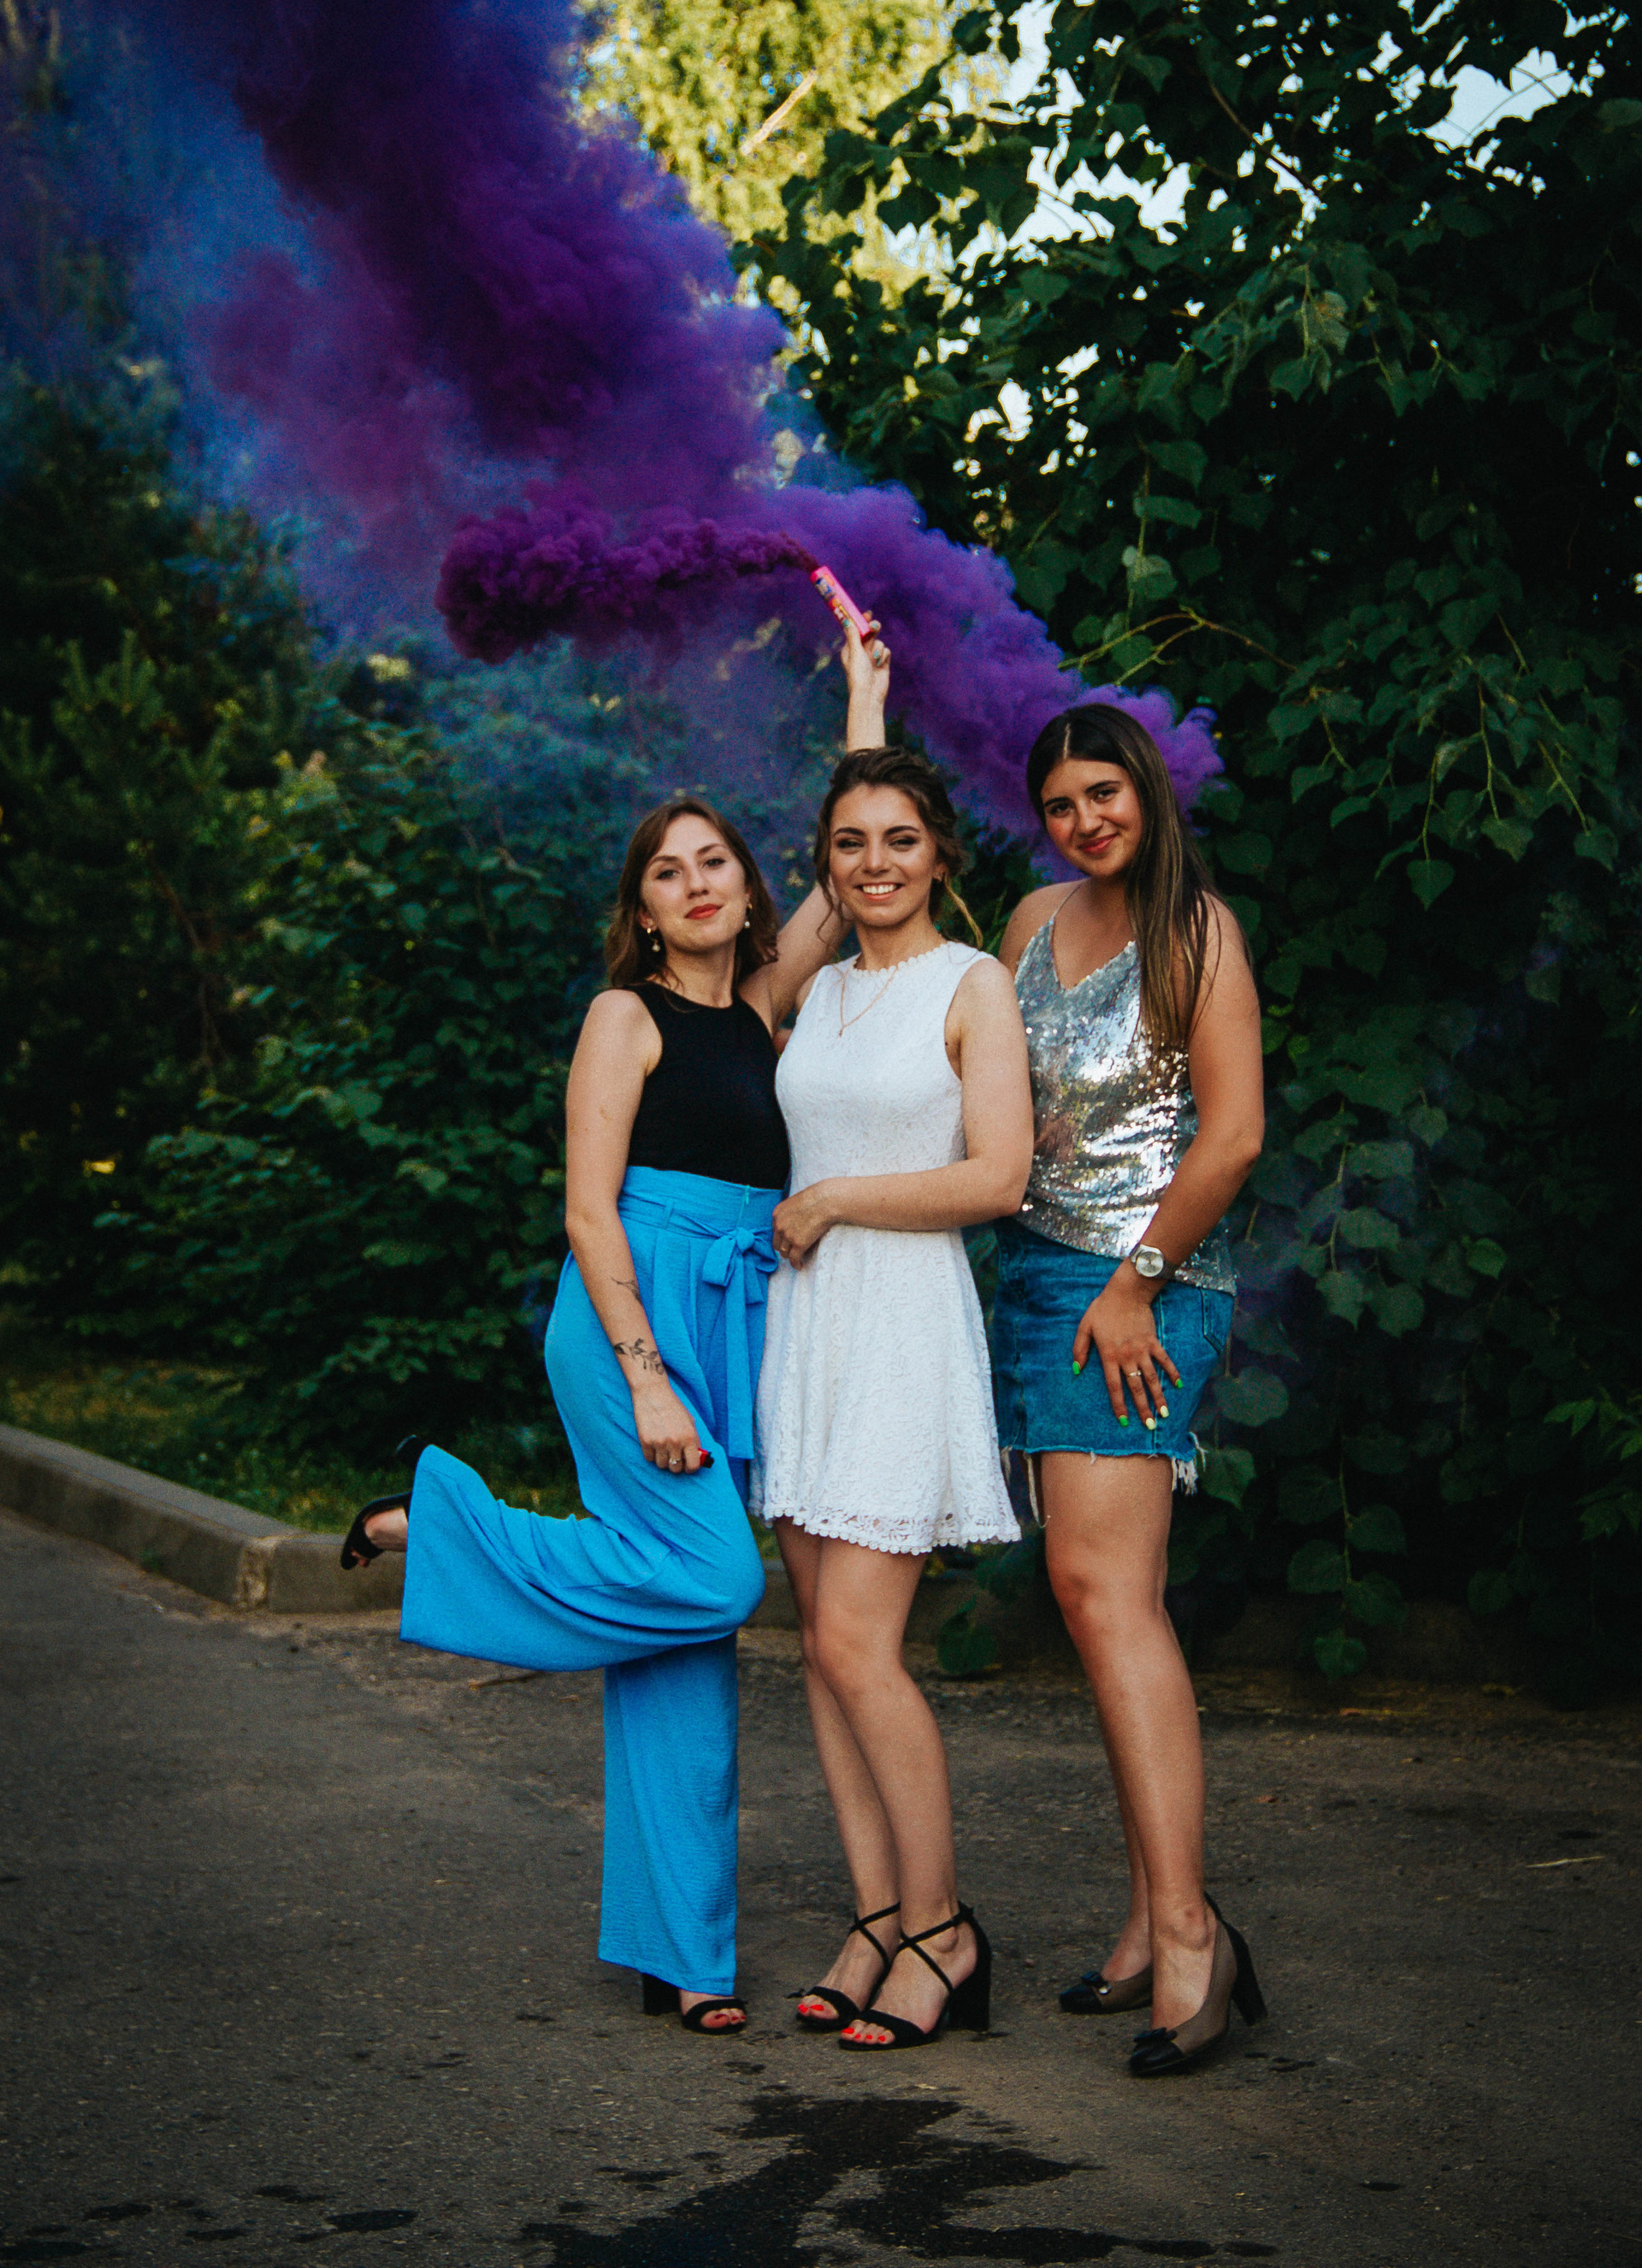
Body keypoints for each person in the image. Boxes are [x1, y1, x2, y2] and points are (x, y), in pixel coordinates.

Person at [338, 624, 891, 2034]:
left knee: (677, 1656)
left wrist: (865, 698)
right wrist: (646, 1376)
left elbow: (849, 875)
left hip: (734, 1318)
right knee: (713, 1581)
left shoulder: (762, 1007)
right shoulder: (621, 1018)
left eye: (716, 863)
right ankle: (441, 1519)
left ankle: (681, 1954)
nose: (697, 883)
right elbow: (589, 1212)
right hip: (625, 1319)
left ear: (746, 888)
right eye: (667, 871)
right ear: (642, 911)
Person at [992, 700, 1267, 2076]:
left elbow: (1236, 1134)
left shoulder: (1198, 932)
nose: (1084, 820)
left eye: (1103, 792)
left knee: (1110, 1596)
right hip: (1037, 1279)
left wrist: (1136, 1281)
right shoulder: (1032, 920)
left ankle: (1191, 1937)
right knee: (1092, 1602)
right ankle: (1158, 1913)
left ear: (1147, 791)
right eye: (1060, 803)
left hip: (1147, 1286)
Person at [753, 744, 1034, 2051]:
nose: (876, 864)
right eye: (850, 841)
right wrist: (859, 708)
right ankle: (875, 1918)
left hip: (902, 1326)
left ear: (941, 853)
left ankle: (942, 1931)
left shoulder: (973, 985)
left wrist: (834, 1199)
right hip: (807, 1333)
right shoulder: (814, 990)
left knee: (863, 1647)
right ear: (826, 860)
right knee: (821, 1645)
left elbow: (999, 1178)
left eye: (901, 839)